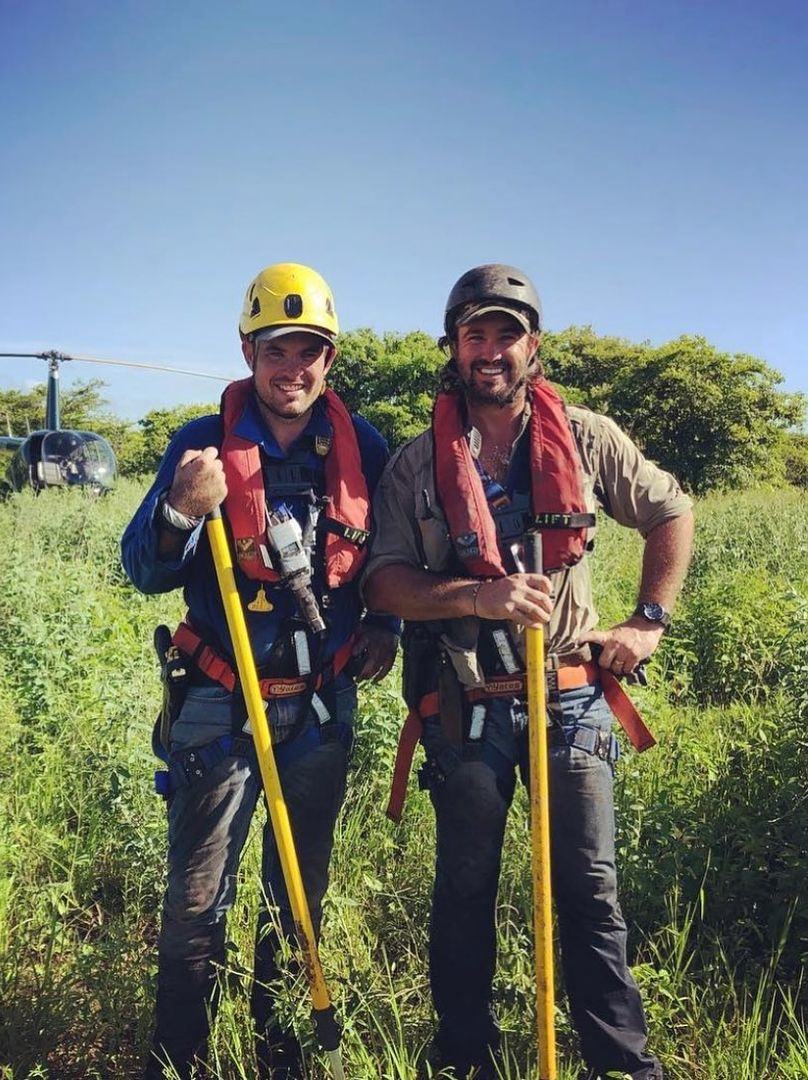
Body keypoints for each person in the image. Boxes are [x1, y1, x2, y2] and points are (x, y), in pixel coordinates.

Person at [363, 264, 693, 1080]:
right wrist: (484, 592)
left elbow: (671, 510)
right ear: (452, 347)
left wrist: (646, 622)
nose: (490, 351)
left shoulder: (585, 436)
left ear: (531, 346)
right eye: (474, 334)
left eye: (506, 334)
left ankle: (620, 1067)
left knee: (588, 894)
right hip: (466, 708)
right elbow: (383, 580)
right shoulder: (414, 464)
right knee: (466, 892)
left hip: (573, 700)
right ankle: (466, 1061)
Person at [122, 262, 400, 1079]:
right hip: (220, 706)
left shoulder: (366, 449)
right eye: (278, 349)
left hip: (319, 709)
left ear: (330, 359)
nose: (294, 367)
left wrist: (383, 621)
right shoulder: (196, 445)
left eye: (310, 350)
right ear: (248, 351)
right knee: (198, 904)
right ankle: (180, 1060)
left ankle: (282, 1054)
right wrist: (182, 507)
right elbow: (142, 567)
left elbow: (391, 555)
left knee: (299, 898)